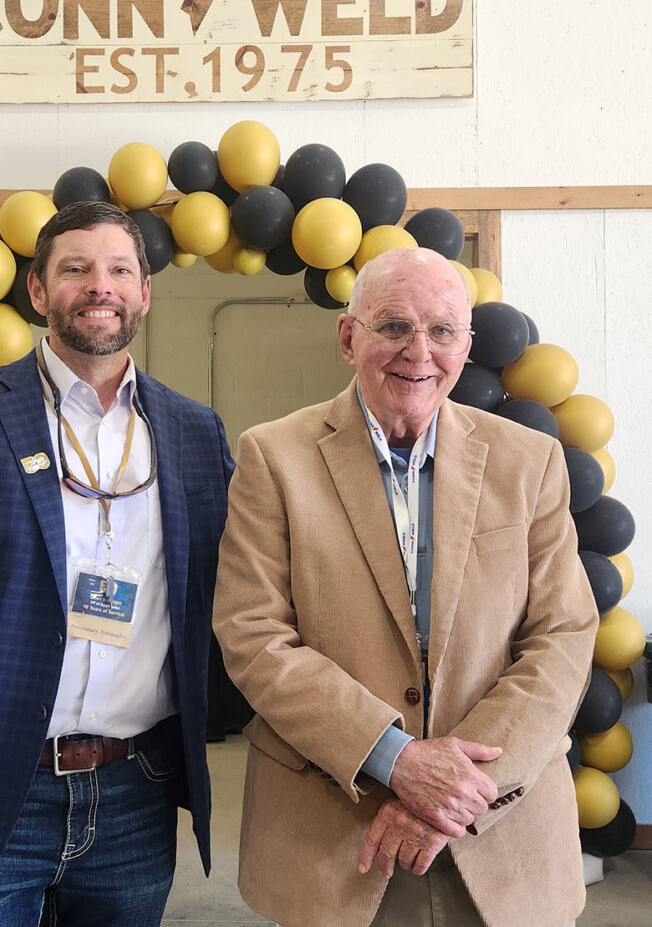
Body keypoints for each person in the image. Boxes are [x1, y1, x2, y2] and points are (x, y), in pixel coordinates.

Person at [0, 201, 234, 927]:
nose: (101, 286)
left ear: (145, 293)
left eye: (121, 269)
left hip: (137, 789)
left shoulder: (193, 431)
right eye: (76, 269)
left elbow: (231, 595)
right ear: (38, 292)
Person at [213, 247, 598, 927]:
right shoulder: (273, 457)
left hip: (506, 837)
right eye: (393, 325)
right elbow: (253, 634)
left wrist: (456, 789)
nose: (418, 350)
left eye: (443, 330)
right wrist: (395, 761)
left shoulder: (530, 461)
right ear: (348, 337)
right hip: (336, 843)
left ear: (467, 345)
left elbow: (562, 634)